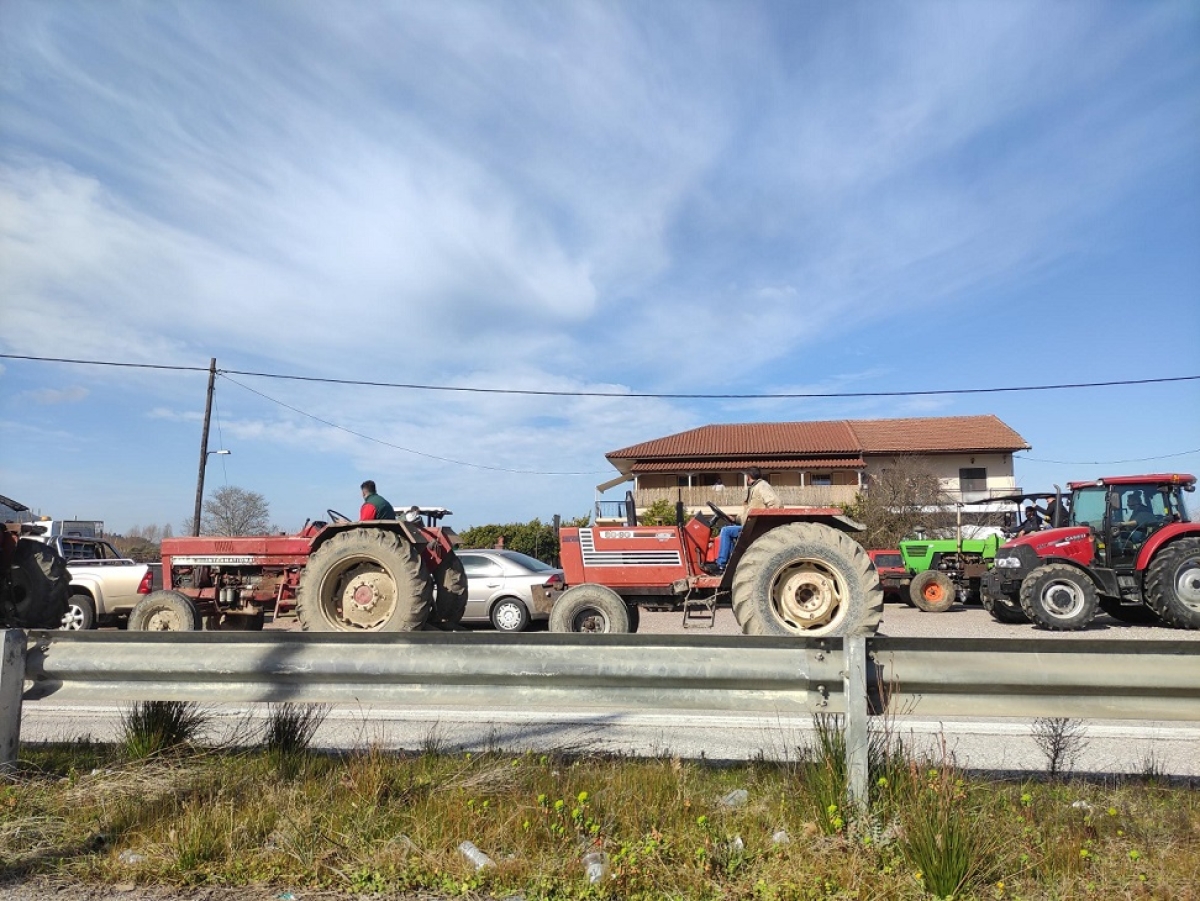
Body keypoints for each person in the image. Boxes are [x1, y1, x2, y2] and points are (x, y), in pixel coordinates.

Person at [713, 467, 780, 571]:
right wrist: (735, 519)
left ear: (748, 477)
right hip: (749, 524)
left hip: (754, 527)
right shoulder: (755, 487)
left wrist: (765, 523)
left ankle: (721, 564)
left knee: (726, 531)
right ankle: (730, 564)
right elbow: (747, 512)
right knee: (729, 528)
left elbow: (775, 504)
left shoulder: (762, 486)